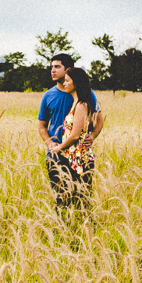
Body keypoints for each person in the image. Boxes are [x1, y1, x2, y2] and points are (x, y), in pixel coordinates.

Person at [36, 54, 102, 208]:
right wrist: (50, 143)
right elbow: (41, 125)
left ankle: (82, 230)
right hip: (55, 156)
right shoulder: (48, 96)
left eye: (57, 67)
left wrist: (92, 136)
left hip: (78, 156)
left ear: (69, 70)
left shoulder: (85, 94)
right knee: (60, 200)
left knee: (82, 200)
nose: (52, 70)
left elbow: (99, 119)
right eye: (51, 67)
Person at [50, 66, 103, 206]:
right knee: (72, 199)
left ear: (76, 83)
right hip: (72, 157)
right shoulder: (76, 102)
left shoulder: (81, 105)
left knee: (80, 199)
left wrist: (58, 148)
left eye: (67, 81)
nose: (64, 83)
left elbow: (74, 136)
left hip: (79, 159)